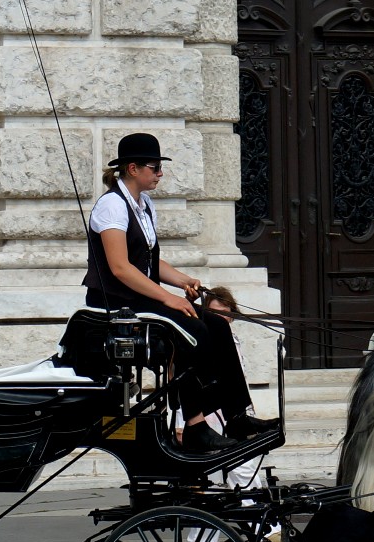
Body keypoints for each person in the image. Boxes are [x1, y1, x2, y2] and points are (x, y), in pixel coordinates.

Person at [84, 133, 270, 453]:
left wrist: (182, 281)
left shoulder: (143, 205)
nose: (160, 173)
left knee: (215, 323)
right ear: (132, 168)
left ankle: (237, 414)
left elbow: (149, 261)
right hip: (116, 302)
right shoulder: (112, 206)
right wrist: (168, 297)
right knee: (190, 327)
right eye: (154, 167)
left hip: (139, 296)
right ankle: (196, 425)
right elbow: (120, 268)